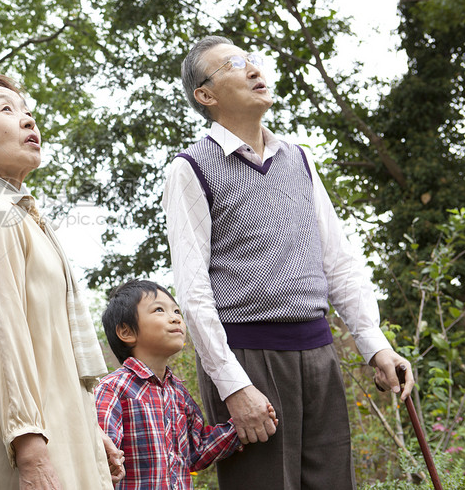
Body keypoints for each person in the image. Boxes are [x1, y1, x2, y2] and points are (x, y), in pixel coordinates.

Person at [162, 35, 414, 490]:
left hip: (318, 352)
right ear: (206, 95)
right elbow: (193, 289)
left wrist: (375, 346)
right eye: (236, 64)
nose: (254, 69)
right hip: (247, 357)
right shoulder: (190, 167)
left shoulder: (300, 159)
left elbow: (339, 262)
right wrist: (233, 386)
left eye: (254, 59)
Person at [0, 74, 125, 489]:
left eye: (27, 111)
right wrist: (32, 454)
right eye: (6, 109)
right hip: (28, 455)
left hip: (56, 438)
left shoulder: (15, 213)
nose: (27, 120)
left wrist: (89, 430)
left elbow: (49, 353)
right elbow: (4, 341)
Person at [96, 279, 274, 490]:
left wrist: (240, 427)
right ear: (127, 332)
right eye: (159, 310)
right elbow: (103, 452)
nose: (175, 319)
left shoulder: (179, 393)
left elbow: (196, 451)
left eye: (177, 311)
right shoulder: (113, 388)